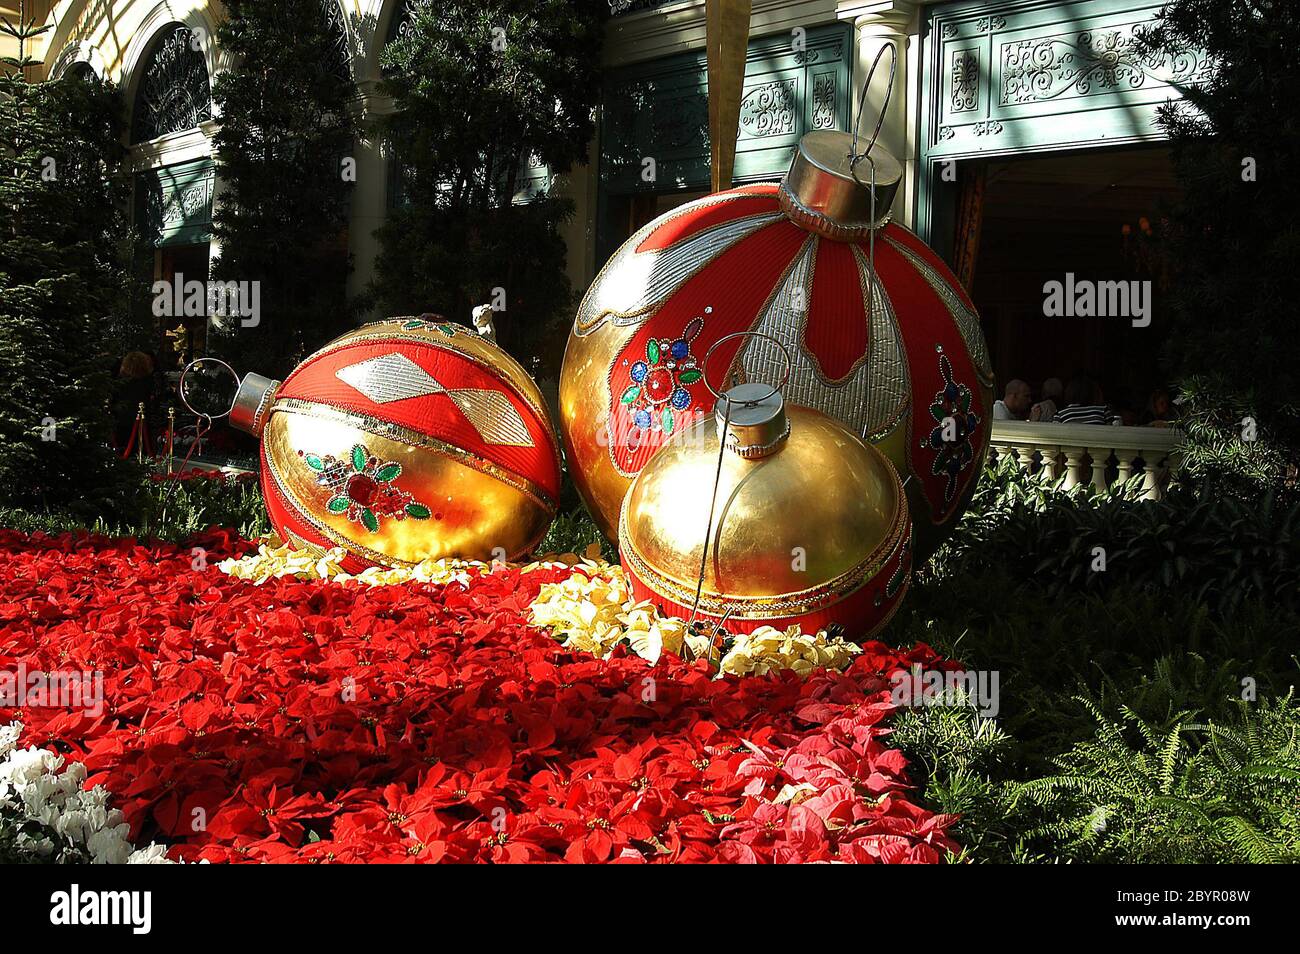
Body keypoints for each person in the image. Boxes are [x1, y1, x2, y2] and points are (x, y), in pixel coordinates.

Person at [1053, 375, 1119, 425]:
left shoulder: (1060, 413)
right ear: (1094, 393)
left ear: (1069, 393)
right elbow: (1113, 432)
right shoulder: (1103, 410)